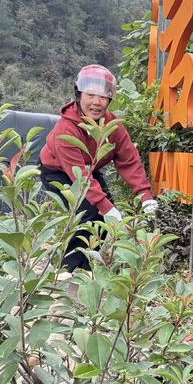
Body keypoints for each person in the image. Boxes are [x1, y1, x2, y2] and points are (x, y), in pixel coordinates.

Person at [40, 64, 157, 272]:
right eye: (90, 95)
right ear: (79, 94)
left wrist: (144, 195)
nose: (96, 102)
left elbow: (128, 159)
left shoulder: (111, 125)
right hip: (59, 171)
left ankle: (85, 267)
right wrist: (105, 207)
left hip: (88, 169)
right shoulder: (65, 130)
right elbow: (80, 177)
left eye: (103, 97)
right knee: (87, 212)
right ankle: (65, 270)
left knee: (104, 216)